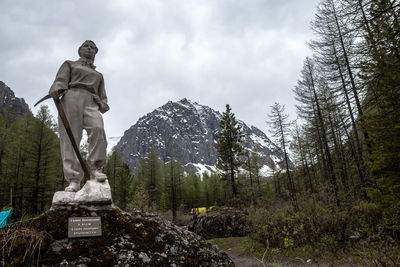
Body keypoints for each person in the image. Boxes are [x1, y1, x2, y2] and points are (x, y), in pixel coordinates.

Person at [49, 40, 109, 192]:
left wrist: (100, 103)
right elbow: (60, 81)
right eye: (86, 46)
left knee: (98, 129)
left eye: (93, 48)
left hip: (91, 101)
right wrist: (57, 88)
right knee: (71, 138)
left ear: (95, 53)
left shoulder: (98, 75)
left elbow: (103, 99)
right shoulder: (70, 64)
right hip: (71, 97)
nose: (89, 49)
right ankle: (74, 179)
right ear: (80, 50)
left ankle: (96, 169)